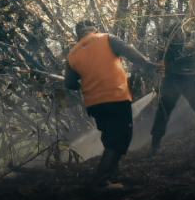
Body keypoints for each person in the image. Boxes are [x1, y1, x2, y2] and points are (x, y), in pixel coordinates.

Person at [64, 21, 157, 190]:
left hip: (94, 103)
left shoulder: (72, 54)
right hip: (116, 97)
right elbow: (130, 52)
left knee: (109, 135)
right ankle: (101, 181)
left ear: (78, 35)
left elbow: (70, 84)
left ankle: (114, 173)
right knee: (120, 139)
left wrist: (87, 82)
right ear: (94, 29)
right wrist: (148, 65)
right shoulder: (106, 38)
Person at [149, 21, 195, 158]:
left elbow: (161, 65)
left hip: (172, 81)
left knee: (163, 114)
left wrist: (159, 84)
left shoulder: (168, 44)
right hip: (193, 81)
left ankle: (154, 147)